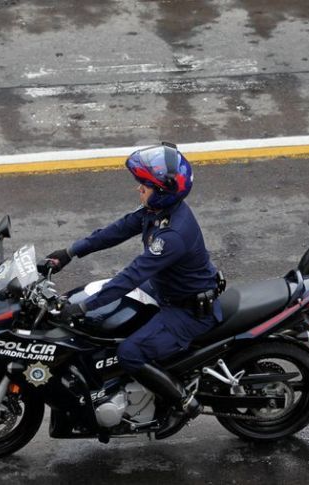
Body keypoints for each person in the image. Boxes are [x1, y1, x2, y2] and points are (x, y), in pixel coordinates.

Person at [42, 142, 224, 438]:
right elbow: (118, 229)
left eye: (145, 185)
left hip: (188, 310)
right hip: (166, 290)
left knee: (129, 352)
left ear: (162, 192)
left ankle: (182, 404)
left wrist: (83, 308)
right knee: (102, 316)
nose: (138, 188)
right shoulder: (158, 210)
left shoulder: (172, 234)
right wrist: (69, 252)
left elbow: (131, 276)